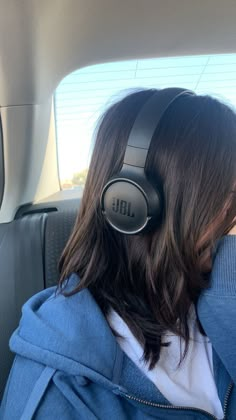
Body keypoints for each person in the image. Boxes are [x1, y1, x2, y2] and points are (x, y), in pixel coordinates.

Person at [1, 88, 236, 420]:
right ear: (135, 203)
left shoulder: (219, 287)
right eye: (228, 194)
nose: (232, 213)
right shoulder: (61, 393)